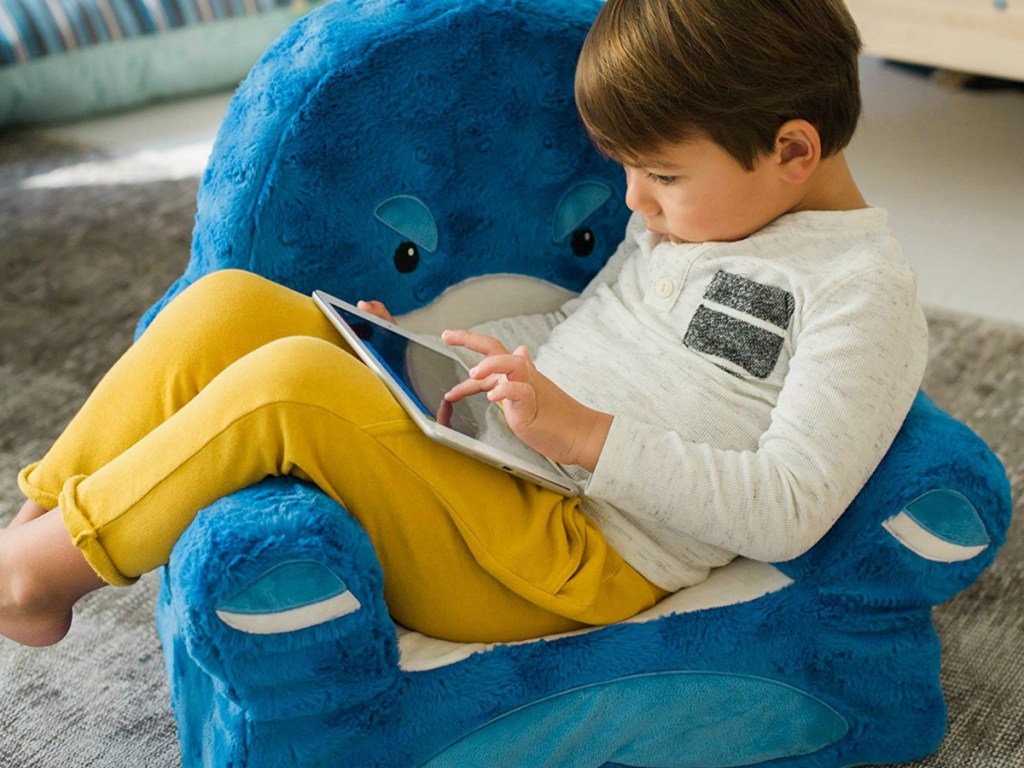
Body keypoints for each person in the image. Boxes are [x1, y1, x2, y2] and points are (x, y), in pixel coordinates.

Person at [0, 0, 927, 648]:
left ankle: (36, 575)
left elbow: (790, 508)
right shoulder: (704, 216)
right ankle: (38, 520)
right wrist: (422, 348)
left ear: (793, 149)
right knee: (234, 304)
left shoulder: (860, 294)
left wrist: (586, 436)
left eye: (663, 177)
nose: (636, 203)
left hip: (571, 558)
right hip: (507, 464)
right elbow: (583, 321)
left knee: (293, 390)